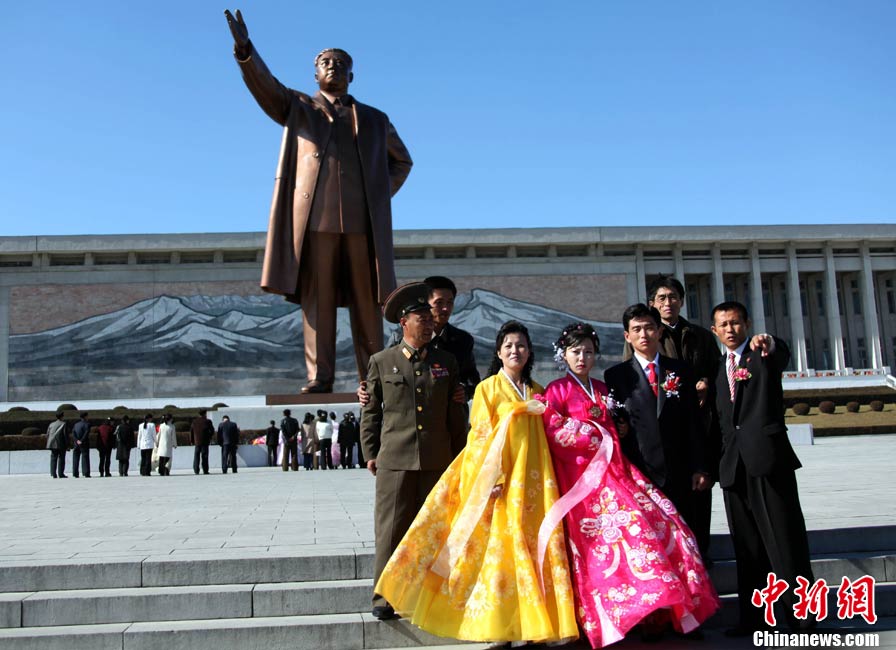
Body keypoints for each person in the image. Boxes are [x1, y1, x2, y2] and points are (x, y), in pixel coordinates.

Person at [224, 9, 413, 394]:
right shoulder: (299, 108)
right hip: (314, 224)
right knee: (317, 303)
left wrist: (377, 197)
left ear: (352, 75)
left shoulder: (375, 119)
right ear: (315, 75)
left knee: (367, 303)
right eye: (326, 62)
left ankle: (373, 377)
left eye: (341, 63)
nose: (334, 67)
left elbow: (402, 161)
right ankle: (319, 376)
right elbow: (266, 86)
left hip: (362, 226)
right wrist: (246, 51)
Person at [375, 320, 578, 644]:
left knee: (532, 549)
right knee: (501, 555)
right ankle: (499, 626)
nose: (515, 351)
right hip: (502, 481)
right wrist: (490, 478)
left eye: (521, 345)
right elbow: (481, 436)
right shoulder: (488, 389)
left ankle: (533, 626)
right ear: (498, 353)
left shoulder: (539, 391)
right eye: (508, 346)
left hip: (535, 483)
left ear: (529, 352)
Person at [541, 323, 719, 646]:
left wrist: (618, 429)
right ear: (563, 355)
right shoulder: (556, 391)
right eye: (575, 352)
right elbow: (554, 431)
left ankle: (655, 609)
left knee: (660, 524)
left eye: (588, 352)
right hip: (580, 482)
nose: (582, 358)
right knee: (606, 545)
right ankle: (612, 617)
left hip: (616, 471)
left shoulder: (602, 388)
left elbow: (619, 425)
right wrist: (592, 435)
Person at [360, 282, 467, 622]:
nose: (429, 323)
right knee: (390, 530)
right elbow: (371, 412)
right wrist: (371, 452)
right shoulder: (382, 361)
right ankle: (383, 596)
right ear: (404, 322)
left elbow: (455, 413)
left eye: (430, 317)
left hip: (438, 460)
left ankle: (433, 595)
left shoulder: (446, 361)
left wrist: (461, 454)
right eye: (422, 318)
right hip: (395, 461)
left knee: (437, 530)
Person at [711, 301, 815, 636]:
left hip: (768, 463)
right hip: (734, 469)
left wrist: (769, 341)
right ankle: (754, 620)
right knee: (747, 549)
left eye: (735, 322)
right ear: (714, 330)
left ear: (747, 324)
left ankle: (802, 619)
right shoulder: (717, 369)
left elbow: (780, 353)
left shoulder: (761, 354)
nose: (730, 329)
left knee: (786, 542)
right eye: (723, 324)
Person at [623, 275, 721, 561]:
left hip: (693, 430)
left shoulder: (700, 336)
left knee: (698, 503)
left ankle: (700, 556)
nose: (668, 303)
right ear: (653, 303)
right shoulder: (644, 336)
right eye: (662, 298)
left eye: (674, 297)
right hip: (653, 445)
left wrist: (706, 383)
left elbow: (717, 371)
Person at [605, 304, 711, 529]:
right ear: (627, 336)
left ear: (660, 331)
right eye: (636, 329)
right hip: (641, 470)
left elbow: (693, 422)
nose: (643, 334)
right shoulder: (616, 376)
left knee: (685, 530)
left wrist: (700, 467)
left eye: (649, 327)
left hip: (680, 468)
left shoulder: (681, 370)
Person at [190, 409, 215, 475]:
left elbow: (191, 431)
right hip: (205, 441)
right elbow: (212, 431)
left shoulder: (194, 421)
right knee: (205, 456)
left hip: (197, 442)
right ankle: (205, 470)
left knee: (196, 456)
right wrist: (209, 437)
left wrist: (192, 440)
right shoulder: (208, 421)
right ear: (205, 414)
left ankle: (196, 470)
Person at [45, 412, 68, 479]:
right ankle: (61, 474)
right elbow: (65, 435)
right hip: (61, 444)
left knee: (53, 458)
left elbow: (47, 434)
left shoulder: (51, 424)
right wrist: (67, 444)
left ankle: (53, 473)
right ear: (62, 417)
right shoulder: (64, 424)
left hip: (52, 443)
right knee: (61, 459)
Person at [71, 412, 91, 478]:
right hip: (84, 444)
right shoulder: (87, 424)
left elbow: (73, 433)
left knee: (75, 458)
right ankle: (86, 472)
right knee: (85, 458)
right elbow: (86, 434)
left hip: (76, 444)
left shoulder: (76, 424)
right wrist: (81, 441)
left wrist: (77, 440)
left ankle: (75, 473)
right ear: (85, 417)